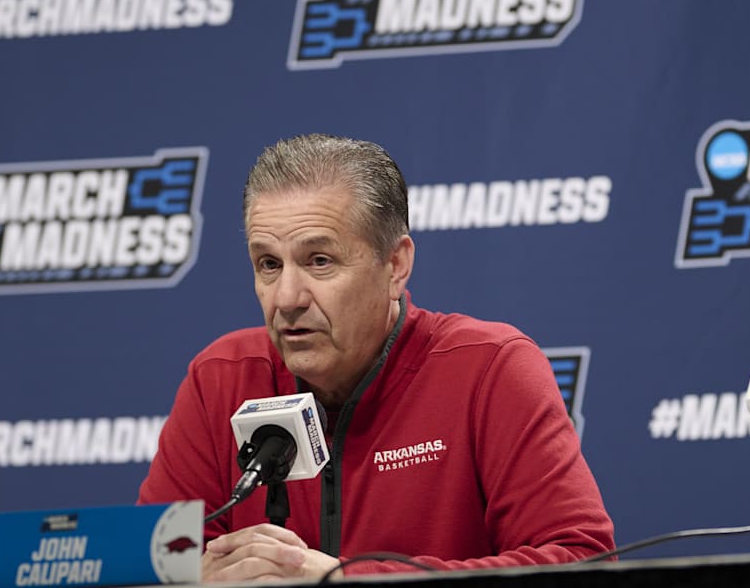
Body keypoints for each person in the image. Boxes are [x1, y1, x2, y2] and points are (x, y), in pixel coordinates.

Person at [137, 134, 615, 582]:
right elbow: (149, 565)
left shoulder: (489, 368)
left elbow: (581, 559)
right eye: (268, 264)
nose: (286, 298)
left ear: (395, 265)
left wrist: (343, 579)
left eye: (319, 261)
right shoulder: (220, 379)